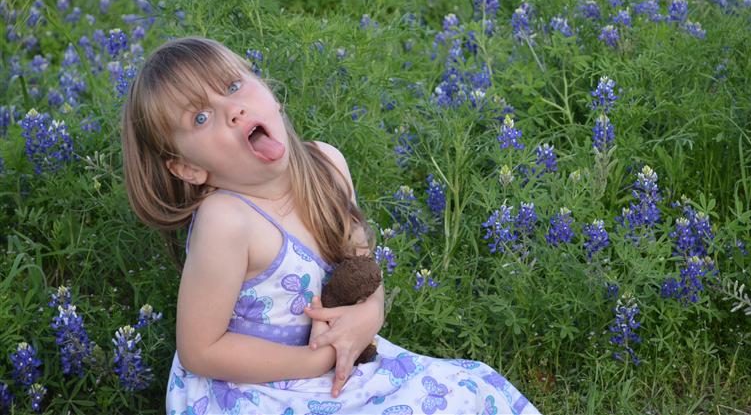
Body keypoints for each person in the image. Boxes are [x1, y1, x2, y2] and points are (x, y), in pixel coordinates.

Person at [122, 37, 541, 415]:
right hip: (251, 387)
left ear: (268, 90)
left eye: (233, 86)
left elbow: (360, 268)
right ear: (188, 168)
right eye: (200, 118)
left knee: (471, 388)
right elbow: (200, 351)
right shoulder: (225, 220)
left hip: (339, 360)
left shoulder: (328, 166)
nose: (233, 111)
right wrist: (316, 360)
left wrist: (370, 315)